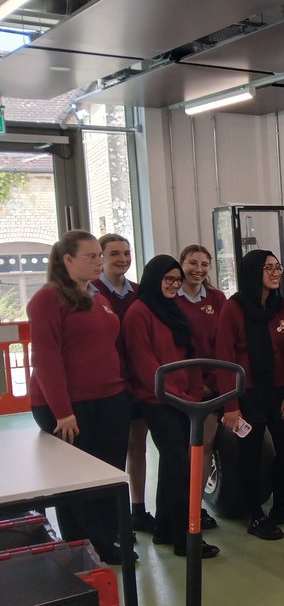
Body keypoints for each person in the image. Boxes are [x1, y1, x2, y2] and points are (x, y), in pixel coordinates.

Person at [28, 231, 132, 565]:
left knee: (108, 473)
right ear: (68, 260)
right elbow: (46, 359)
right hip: (69, 407)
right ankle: (92, 545)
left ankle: (106, 537)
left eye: (99, 256)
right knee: (76, 482)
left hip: (110, 398)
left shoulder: (97, 297)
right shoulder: (47, 300)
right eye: (92, 257)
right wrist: (63, 412)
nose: (99, 262)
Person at [216, 249, 284, 540]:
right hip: (247, 393)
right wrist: (230, 406)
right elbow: (225, 358)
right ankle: (255, 515)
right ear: (252, 272)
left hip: (280, 391)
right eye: (268, 268)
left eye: (278, 267)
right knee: (251, 454)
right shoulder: (233, 309)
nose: (275, 273)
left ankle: (281, 506)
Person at [123, 255, 218, 559]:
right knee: (179, 464)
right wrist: (175, 394)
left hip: (183, 400)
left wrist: (192, 394)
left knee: (173, 464)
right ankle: (184, 538)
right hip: (156, 399)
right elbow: (143, 362)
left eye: (178, 280)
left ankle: (165, 529)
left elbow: (189, 354)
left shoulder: (174, 310)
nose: (175, 285)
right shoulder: (139, 313)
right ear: (154, 279)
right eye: (169, 279)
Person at [92, 233, 152, 534]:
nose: (123, 259)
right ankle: (110, 517)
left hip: (137, 380)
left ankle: (138, 508)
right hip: (109, 384)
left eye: (126, 253)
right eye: (114, 253)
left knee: (137, 447)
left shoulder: (140, 293)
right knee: (110, 451)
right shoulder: (92, 292)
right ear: (100, 257)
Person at [175, 243, 226, 530]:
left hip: (212, 387)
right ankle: (179, 507)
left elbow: (224, 343)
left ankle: (196, 507)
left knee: (204, 447)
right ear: (182, 263)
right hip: (181, 386)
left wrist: (214, 382)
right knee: (180, 450)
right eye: (193, 263)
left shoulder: (217, 299)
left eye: (204, 264)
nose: (198, 269)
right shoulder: (171, 298)